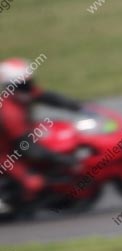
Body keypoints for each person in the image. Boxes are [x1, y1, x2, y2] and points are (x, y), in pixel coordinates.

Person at [0, 58, 83, 204]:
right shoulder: (9, 113)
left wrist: (78, 107)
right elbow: (28, 148)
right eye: (21, 85)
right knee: (34, 183)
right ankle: (18, 206)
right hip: (5, 154)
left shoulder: (22, 93)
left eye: (28, 83)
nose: (27, 88)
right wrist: (61, 159)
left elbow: (48, 97)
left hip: (20, 141)